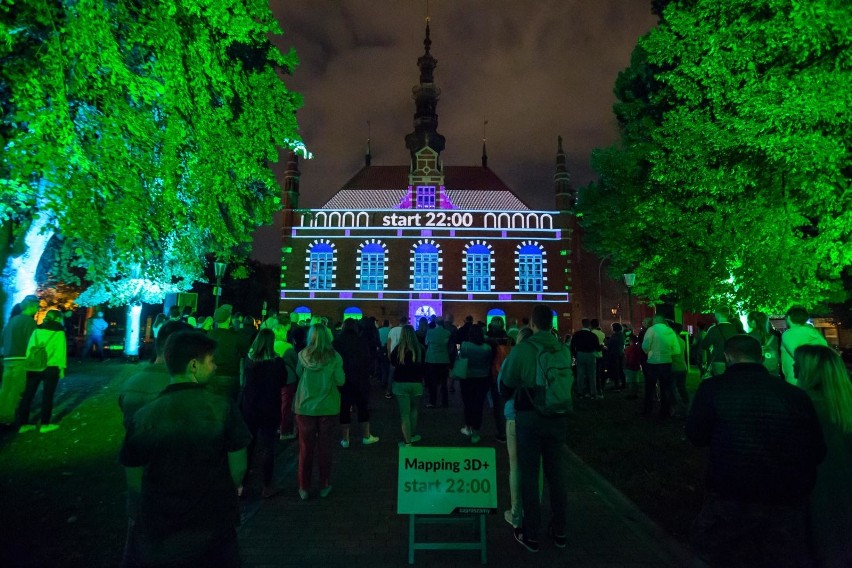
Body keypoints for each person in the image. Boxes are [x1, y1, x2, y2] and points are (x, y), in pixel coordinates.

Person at [685, 335, 825, 568]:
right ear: (761, 357)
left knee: (714, 552)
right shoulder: (792, 394)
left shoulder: (713, 388)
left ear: (728, 357)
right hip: (782, 493)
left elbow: (696, 436)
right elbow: (815, 449)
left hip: (730, 489)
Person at [120, 331, 251, 567]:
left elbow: (133, 478)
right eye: (210, 361)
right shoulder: (221, 409)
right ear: (193, 365)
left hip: (161, 525)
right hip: (213, 522)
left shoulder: (143, 417)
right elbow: (238, 468)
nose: (214, 367)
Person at [499, 304, 569, 553]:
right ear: (551, 323)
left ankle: (531, 534)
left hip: (530, 417)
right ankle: (560, 530)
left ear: (532, 324)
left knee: (529, 475)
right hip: (558, 416)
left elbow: (505, 385)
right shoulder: (561, 347)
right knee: (556, 475)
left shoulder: (524, 350)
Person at [794, 345, 852, 568]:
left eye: (798, 364)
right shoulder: (843, 404)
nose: (792, 367)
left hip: (813, 485)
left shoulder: (803, 406)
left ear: (810, 371)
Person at [294, 323, 344, 500]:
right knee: (325, 448)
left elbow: (299, 374)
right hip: (327, 406)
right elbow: (340, 381)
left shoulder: (302, 354)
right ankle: (324, 483)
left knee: (305, 449)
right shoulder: (335, 357)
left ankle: (303, 487)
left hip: (305, 406)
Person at [239, 329, 291, 499]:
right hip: (270, 407)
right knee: (268, 447)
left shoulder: (248, 360)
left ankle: (240, 484)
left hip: (250, 407)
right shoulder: (277, 362)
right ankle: (267, 486)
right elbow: (283, 382)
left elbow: (243, 382)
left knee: (248, 445)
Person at [499, 326, 534, 530]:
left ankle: (515, 512)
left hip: (515, 415)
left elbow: (502, 387)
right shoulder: (541, 357)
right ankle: (533, 509)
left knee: (515, 466)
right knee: (534, 466)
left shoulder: (513, 358)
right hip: (538, 415)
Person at [16, 309, 66, 433]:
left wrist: (30, 362)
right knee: (47, 396)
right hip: (51, 367)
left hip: (34, 366)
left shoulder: (37, 330)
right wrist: (62, 368)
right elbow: (60, 352)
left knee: (28, 394)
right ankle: (44, 424)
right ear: (58, 318)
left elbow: (30, 349)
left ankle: (23, 424)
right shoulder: (59, 332)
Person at [332, 319, 379, 447]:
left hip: (343, 379)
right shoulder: (362, 341)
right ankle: (366, 435)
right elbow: (368, 360)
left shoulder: (337, 342)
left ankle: (345, 439)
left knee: (344, 408)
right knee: (363, 407)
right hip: (360, 379)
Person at [0, 295, 39, 427]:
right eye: (37, 306)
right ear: (32, 306)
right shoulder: (29, 322)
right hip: (21, 358)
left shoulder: (12, 321)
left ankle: (2, 413)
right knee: (16, 390)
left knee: (5, 388)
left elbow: (2, 338)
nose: (38, 309)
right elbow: (32, 342)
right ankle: (8, 417)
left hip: (8, 358)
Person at [206, 304, 250, 400]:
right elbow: (244, 352)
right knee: (230, 405)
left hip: (211, 374)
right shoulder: (235, 336)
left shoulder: (208, 334)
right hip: (230, 375)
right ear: (229, 319)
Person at [390, 325, 424, 446]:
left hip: (401, 383)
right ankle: (412, 435)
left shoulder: (398, 349)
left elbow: (393, 363)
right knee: (414, 410)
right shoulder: (420, 349)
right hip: (416, 383)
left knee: (405, 413)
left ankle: (407, 442)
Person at [458, 325, 492, 445]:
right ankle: (476, 433)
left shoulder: (465, 346)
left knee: (468, 404)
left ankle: (467, 427)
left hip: (467, 378)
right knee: (479, 405)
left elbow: (461, 357)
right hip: (482, 379)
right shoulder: (487, 348)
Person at [641, 314, 680, 419]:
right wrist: (667, 353)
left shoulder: (651, 330)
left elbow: (645, 346)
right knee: (665, 388)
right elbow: (677, 349)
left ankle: (647, 410)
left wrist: (649, 352)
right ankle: (665, 411)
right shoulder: (670, 331)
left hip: (653, 362)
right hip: (667, 362)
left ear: (655, 320)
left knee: (650, 388)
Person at [781, 305, 828, 385]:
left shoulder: (789, 334)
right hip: (817, 379)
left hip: (797, 380)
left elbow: (799, 356)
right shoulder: (815, 333)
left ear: (788, 317)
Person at [700, 307, 743, 377]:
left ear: (717, 315)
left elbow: (704, 345)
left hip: (718, 359)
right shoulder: (736, 328)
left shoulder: (713, 329)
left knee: (719, 381)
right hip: (733, 360)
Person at [424, 316, 452, 408]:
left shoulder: (430, 332)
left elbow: (426, 343)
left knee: (433, 382)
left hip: (432, 359)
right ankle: (445, 402)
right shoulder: (447, 333)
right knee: (444, 382)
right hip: (444, 359)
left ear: (435, 322)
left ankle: (432, 401)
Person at [570, 319, 600, 399]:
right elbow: (597, 347)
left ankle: (580, 392)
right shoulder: (593, 335)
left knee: (580, 374)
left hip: (580, 354)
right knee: (592, 374)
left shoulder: (577, 334)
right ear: (589, 325)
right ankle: (593, 392)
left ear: (582, 324)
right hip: (590, 354)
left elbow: (572, 346)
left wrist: (575, 355)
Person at [747, 311, 781, 376]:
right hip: (772, 372)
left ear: (753, 322)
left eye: (748, 320)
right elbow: (777, 356)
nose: (747, 322)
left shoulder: (748, 337)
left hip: (756, 373)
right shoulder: (774, 337)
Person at [384, 315, 408, 399]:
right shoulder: (406, 331)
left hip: (393, 354)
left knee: (391, 374)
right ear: (406, 322)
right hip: (404, 354)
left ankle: (388, 391)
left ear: (399, 321)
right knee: (403, 374)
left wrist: (389, 354)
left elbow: (389, 343)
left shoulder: (392, 330)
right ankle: (402, 391)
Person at [606, 323, 626, 392]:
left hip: (614, 354)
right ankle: (623, 384)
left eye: (612, 327)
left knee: (616, 370)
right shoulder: (621, 335)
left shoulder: (615, 335)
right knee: (620, 369)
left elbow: (610, 345)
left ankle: (617, 385)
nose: (611, 328)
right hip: (620, 353)